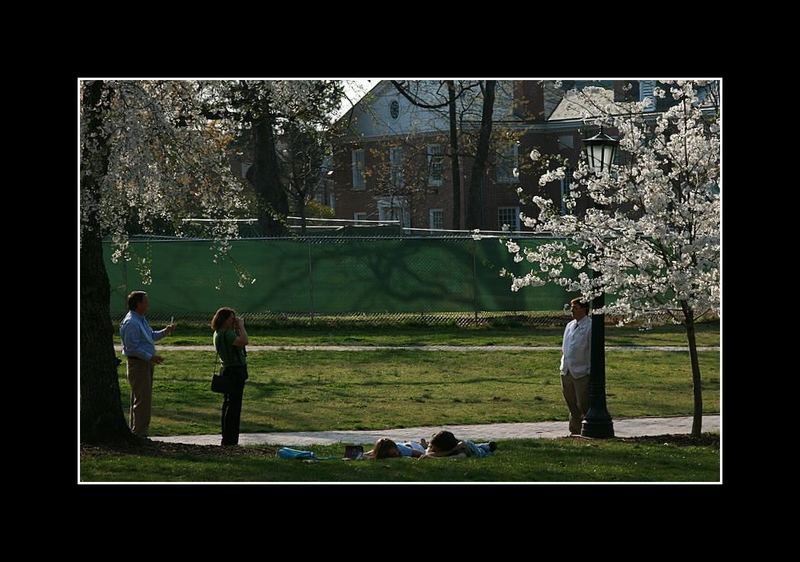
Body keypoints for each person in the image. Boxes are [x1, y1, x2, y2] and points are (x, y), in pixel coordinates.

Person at [119, 291, 176, 438]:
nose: (148, 304)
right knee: (142, 399)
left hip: (145, 363)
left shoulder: (140, 320)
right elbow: (131, 348)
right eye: (146, 301)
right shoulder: (131, 322)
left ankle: (138, 431)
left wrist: (165, 331)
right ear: (138, 304)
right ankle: (139, 433)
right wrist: (150, 357)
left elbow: (150, 336)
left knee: (142, 398)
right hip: (138, 364)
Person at [211, 307, 249, 446]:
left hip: (227, 369)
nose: (234, 321)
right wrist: (241, 326)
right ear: (225, 320)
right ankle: (231, 439)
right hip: (235, 371)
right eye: (232, 319)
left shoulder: (217, 333)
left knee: (227, 404)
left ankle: (226, 436)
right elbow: (244, 341)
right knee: (234, 407)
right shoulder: (227, 334)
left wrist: (236, 328)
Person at [560, 297, 592, 435]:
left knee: (583, 403)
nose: (572, 310)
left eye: (575, 308)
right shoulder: (570, 325)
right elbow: (565, 347)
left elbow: (591, 350)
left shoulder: (590, 326)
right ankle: (574, 431)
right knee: (571, 403)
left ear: (584, 309)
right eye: (571, 308)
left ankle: (588, 429)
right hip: (567, 370)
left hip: (581, 372)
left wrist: (589, 370)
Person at [417, 430, 497, 460]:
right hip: (461, 444)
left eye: (434, 447)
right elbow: (428, 453)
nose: (432, 449)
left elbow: (459, 457)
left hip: (471, 448)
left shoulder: (461, 450)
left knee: (482, 450)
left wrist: (433, 458)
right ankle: (485, 445)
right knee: (477, 445)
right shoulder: (445, 448)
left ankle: (488, 447)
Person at [362, 437, 427, 459]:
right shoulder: (380, 451)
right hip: (404, 444)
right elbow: (370, 453)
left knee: (424, 449)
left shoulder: (402, 450)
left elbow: (420, 454)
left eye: (396, 453)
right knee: (407, 444)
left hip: (415, 447)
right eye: (393, 454)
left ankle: (423, 445)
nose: (396, 454)